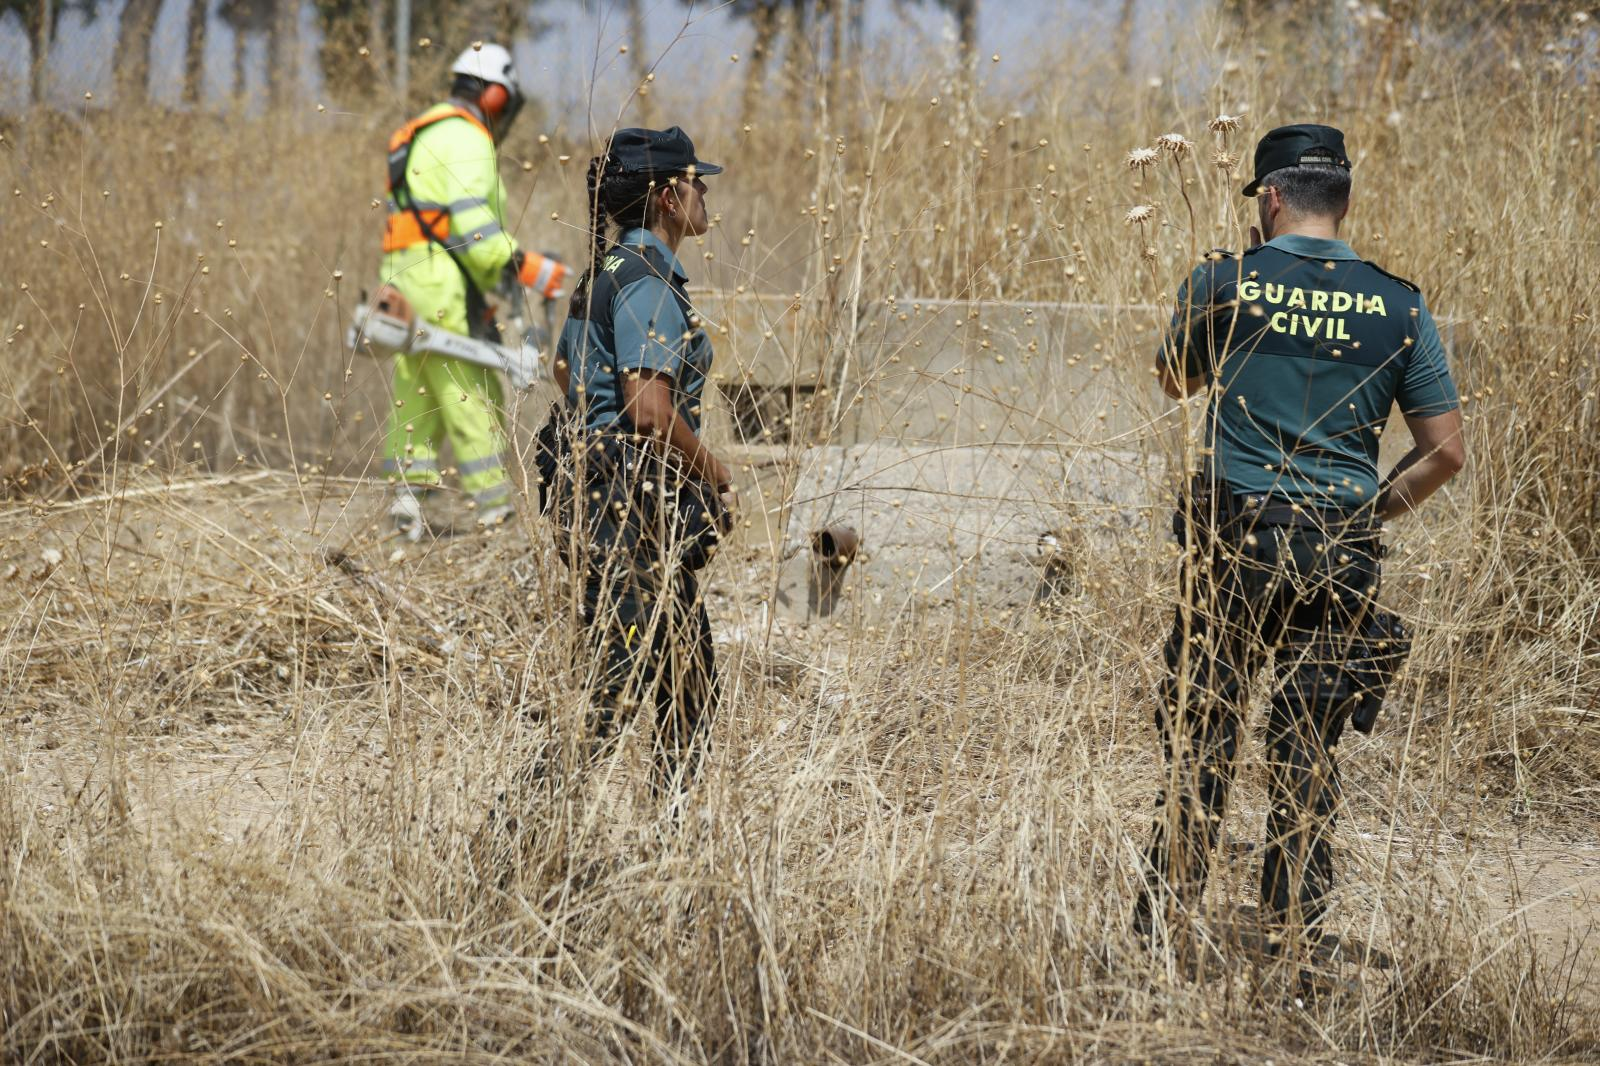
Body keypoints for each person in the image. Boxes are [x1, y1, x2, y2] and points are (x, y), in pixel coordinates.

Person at [1135, 124, 1465, 969]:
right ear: (1343, 201)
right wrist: (1369, 515)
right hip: (1340, 545)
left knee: (1204, 736)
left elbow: (1176, 380)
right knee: (1308, 747)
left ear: (1270, 200)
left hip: (1234, 543)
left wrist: (1236, 283)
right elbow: (1447, 453)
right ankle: (1294, 941)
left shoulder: (1226, 281)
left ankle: (1161, 935)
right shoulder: (1400, 303)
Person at [544, 127, 735, 796]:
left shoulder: (603, 273)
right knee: (610, 699)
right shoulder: (649, 281)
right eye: (693, 180)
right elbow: (649, 408)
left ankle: (670, 852)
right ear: (664, 197)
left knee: (690, 687)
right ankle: (518, 841)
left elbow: (566, 372)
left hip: (608, 507)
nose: (704, 190)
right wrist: (714, 471)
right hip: (629, 517)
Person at [378, 42, 570, 540]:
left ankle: (405, 515)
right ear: (493, 96)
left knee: (416, 396)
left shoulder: (425, 132)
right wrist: (526, 267)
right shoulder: (466, 139)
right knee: (472, 393)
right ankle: (497, 518)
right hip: (444, 283)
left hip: (407, 278)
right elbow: (473, 231)